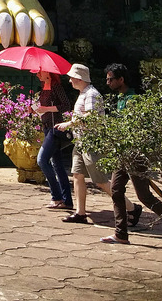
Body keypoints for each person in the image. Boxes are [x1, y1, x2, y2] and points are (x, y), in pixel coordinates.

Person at [100, 62, 162, 245]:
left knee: (144, 196)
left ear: (121, 79)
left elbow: (139, 128)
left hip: (135, 154)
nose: (108, 83)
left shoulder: (133, 100)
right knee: (116, 190)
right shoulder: (120, 98)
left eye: (110, 79)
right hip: (122, 153)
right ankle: (121, 234)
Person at [56, 63, 113, 224]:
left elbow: (90, 115)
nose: (69, 81)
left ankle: (131, 208)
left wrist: (69, 123)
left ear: (79, 78)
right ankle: (80, 213)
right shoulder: (84, 93)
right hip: (81, 142)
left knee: (100, 180)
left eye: (72, 78)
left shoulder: (92, 94)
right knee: (77, 175)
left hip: (90, 142)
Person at [34, 69, 73, 209]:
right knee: (57, 164)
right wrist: (35, 109)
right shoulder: (43, 87)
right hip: (46, 127)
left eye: (40, 71)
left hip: (54, 129)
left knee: (42, 160)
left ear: (48, 72)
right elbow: (43, 108)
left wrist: (46, 109)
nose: (37, 74)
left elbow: (66, 105)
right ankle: (67, 200)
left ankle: (56, 196)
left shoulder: (56, 86)